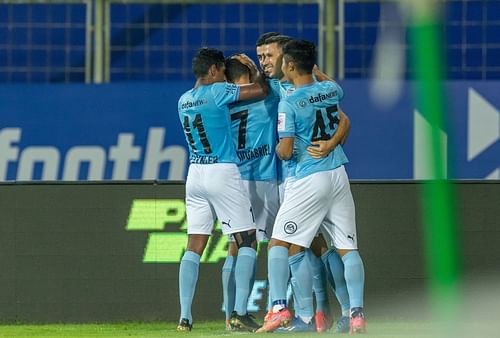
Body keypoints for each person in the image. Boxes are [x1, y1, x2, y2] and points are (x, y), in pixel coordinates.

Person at [256, 40, 366, 334]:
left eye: (274, 57)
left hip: (307, 177)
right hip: (338, 175)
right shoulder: (331, 90)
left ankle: (279, 308)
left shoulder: (288, 102)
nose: (270, 63)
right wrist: (331, 143)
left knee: (278, 243)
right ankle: (355, 315)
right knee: (347, 247)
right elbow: (338, 100)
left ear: (289, 64)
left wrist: (279, 148)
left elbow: (287, 150)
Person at [176, 47, 268, 332]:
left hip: (195, 174)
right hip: (221, 171)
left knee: (195, 244)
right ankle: (240, 312)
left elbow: (201, 86)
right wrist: (255, 67)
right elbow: (261, 91)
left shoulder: (184, 100)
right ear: (215, 70)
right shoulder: (219, 92)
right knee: (247, 240)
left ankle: (184, 317)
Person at [221, 56, 281, 331]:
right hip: (264, 179)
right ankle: (262, 309)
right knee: (279, 244)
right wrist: (259, 72)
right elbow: (269, 85)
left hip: (234, 181)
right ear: (248, 71)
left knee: (236, 245)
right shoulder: (265, 98)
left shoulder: (222, 103)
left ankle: (230, 313)